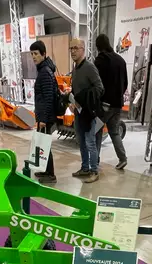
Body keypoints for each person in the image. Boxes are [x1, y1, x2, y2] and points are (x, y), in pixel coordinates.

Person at [68, 38, 104, 183]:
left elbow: (99, 88)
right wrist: (73, 102)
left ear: (83, 49)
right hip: (78, 111)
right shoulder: (76, 68)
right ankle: (84, 168)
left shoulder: (89, 67)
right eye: (71, 48)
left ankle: (94, 170)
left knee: (90, 142)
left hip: (89, 112)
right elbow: (76, 88)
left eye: (76, 48)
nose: (73, 51)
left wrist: (83, 99)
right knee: (81, 141)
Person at [94, 34, 128, 170]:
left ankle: (95, 162)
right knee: (114, 132)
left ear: (98, 47)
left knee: (96, 131)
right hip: (117, 104)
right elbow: (125, 83)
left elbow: (97, 84)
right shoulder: (121, 60)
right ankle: (122, 158)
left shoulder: (100, 61)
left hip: (104, 105)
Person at [29, 40, 58, 184]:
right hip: (42, 115)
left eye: (36, 54)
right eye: (32, 54)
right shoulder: (44, 69)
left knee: (45, 144)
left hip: (45, 117)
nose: (33, 56)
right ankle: (46, 170)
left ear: (43, 54)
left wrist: (43, 119)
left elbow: (48, 98)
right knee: (43, 144)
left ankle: (51, 174)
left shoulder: (45, 72)